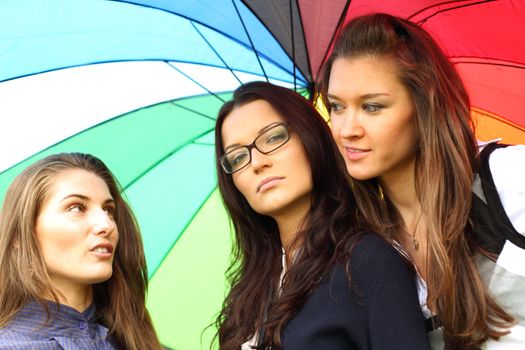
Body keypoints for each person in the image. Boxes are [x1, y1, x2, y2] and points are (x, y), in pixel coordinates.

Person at [319, 13, 525, 349]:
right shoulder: (365, 249)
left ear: (424, 102)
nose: (346, 130)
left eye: (372, 107)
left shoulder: (507, 177)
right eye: (336, 107)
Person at [213, 81, 431, 350]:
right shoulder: (249, 296)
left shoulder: (367, 262)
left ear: (310, 135)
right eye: (237, 158)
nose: (257, 163)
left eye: (273, 138)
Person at [0, 153, 162, 349]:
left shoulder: (135, 340)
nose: (106, 225)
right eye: (77, 208)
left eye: (108, 210)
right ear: (20, 234)